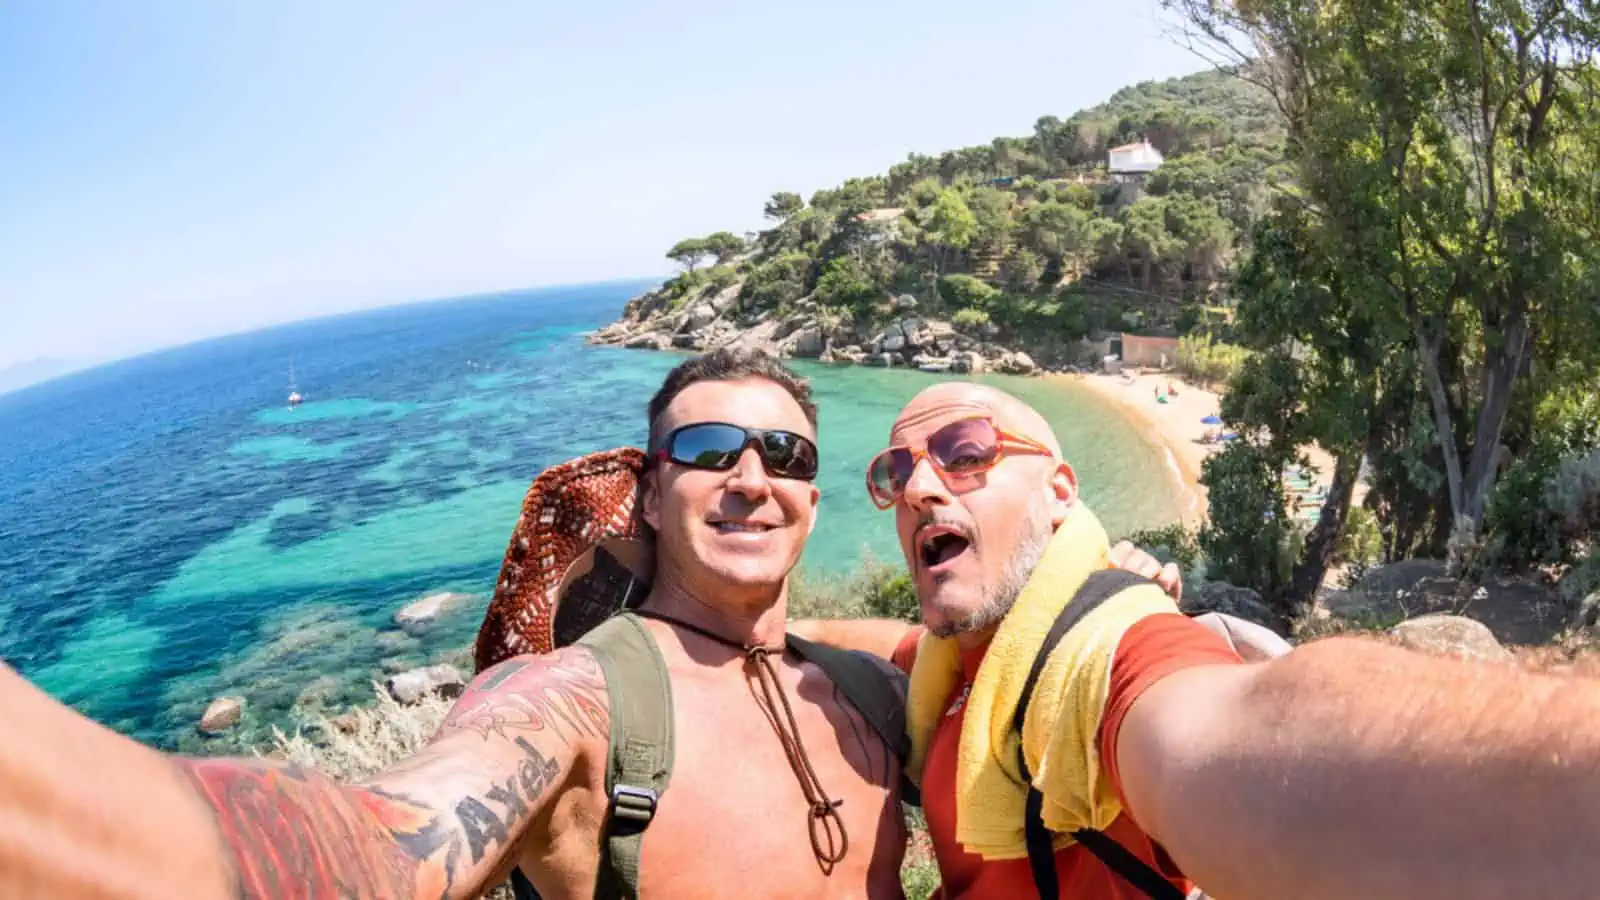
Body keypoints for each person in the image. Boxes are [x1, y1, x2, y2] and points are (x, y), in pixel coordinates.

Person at [0, 346, 1177, 900]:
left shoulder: (865, 683)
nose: (750, 476)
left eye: (785, 454)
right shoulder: (576, 704)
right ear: (650, 491)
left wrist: (1102, 578)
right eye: (708, 450)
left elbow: (1019, 643)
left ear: (816, 497)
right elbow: (377, 840)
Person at [792, 379, 1600, 900]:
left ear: (1062, 491)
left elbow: (1245, 730)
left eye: (964, 454)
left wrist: (1559, 790)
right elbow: (881, 639)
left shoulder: (1116, 653)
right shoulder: (963, 660)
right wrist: (741, 622)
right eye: (897, 473)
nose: (921, 487)